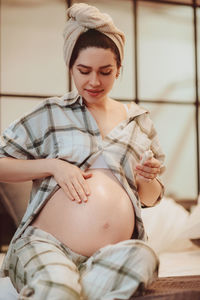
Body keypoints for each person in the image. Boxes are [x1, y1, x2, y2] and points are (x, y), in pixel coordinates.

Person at [0, 3, 165, 300]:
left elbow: (150, 197)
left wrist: (147, 177)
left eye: (106, 71)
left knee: (145, 257)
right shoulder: (51, 112)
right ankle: (63, 286)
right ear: (70, 67)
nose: (94, 82)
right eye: (84, 70)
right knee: (58, 287)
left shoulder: (139, 122)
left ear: (119, 69)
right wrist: (53, 166)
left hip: (109, 255)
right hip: (45, 244)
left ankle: (76, 288)